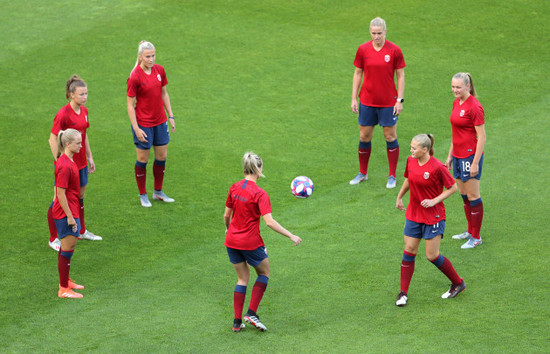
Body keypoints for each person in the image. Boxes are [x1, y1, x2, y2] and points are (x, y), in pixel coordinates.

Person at [224, 152, 302, 332]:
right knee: (264, 272)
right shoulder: (260, 193)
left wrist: (228, 229)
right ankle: (251, 313)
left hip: (232, 241)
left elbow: (226, 215)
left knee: (242, 278)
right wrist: (291, 235)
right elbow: (269, 222)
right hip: (250, 242)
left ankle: (237, 323)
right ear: (258, 169)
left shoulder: (234, 187)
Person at [395, 134, 465, 307]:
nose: (411, 150)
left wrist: (435, 200)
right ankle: (403, 293)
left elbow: (453, 187)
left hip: (433, 216)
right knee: (409, 250)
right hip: (414, 213)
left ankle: (458, 283)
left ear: (424, 150)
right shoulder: (411, 161)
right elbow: (408, 179)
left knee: (431, 255)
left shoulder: (437, 167)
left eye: (414, 148)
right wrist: (399, 197)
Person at [350, 17, 406, 189]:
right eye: (373, 33)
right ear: (370, 32)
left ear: (385, 32)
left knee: (390, 136)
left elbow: (401, 75)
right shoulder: (363, 50)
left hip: (388, 102)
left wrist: (399, 100)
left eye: (379, 33)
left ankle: (392, 176)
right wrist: (353, 97)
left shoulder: (394, 50)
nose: (376, 37)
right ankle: (363, 173)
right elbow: (358, 73)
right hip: (367, 101)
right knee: (364, 136)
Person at [48, 75, 102, 252]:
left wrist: (90, 157)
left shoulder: (84, 112)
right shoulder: (63, 114)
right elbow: (52, 138)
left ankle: (81, 230)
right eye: (81, 94)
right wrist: (59, 160)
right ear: (71, 95)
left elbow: (83, 137)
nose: (85, 97)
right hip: (67, 165)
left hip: (81, 164)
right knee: (58, 199)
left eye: (86, 94)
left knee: (79, 197)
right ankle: (53, 238)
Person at [127, 40, 176, 207]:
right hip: (144, 124)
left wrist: (171, 115)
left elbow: (164, 93)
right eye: (148, 56)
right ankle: (143, 195)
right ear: (140, 57)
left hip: (160, 121)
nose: (151, 59)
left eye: (153, 55)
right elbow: (129, 105)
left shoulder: (159, 70)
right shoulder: (134, 77)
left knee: (162, 156)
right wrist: (136, 128)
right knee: (143, 159)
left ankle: (158, 192)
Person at [445, 72, 486, 249]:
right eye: (453, 87)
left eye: (458, 87)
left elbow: (482, 137)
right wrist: (450, 155)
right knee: (464, 196)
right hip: (458, 156)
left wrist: (475, 162)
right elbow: (457, 133)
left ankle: (476, 237)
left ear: (468, 86)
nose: (455, 90)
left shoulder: (474, 107)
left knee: (473, 196)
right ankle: (470, 231)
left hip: (470, 156)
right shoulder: (457, 102)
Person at [53, 129, 86, 298]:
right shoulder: (65, 165)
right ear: (68, 144)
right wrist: (71, 217)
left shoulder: (68, 160)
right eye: (78, 143)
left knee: (67, 248)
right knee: (68, 249)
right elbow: (60, 193)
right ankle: (64, 289)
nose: (81, 145)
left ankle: (65, 281)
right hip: (67, 213)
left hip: (71, 209)